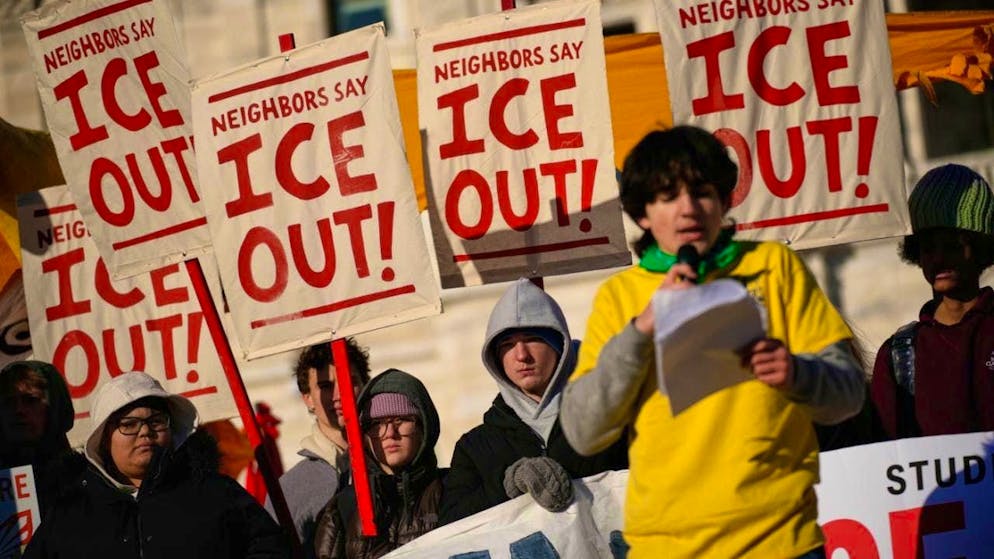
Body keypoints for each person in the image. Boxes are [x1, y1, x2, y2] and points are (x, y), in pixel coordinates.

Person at [560, 126, 865, 558]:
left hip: (780, 541)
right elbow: (582, 432)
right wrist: (643, 328)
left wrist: (798, 373)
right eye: (668, 197)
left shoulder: (773, 266)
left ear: (723, 200)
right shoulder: (620, 296)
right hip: (665, 548)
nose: (688, 210)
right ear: (643, 213)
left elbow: (849, 393)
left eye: (702, 192)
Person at [24, 371, 287, 559]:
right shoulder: (69, 513)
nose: (145, 432)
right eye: (128, 424)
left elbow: (271, 547)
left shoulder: (217, 493)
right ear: (104, 439)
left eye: (157, 421)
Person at [439, 278, 628, 525]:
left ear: (559, 345)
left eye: (532, 339)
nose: (521, 355)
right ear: (495, 357)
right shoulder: (475, 448)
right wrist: (507, 484)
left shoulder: (616, 416)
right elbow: (450, 528)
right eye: (507, 345)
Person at [871, 163, 994, 438]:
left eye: (952, 244)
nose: (939, 258)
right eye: (927, 247)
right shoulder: (898, 355)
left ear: (980, 247)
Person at [313, 368, 443, 559]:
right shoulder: (343, 508)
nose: (390, 433)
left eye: (401, 419)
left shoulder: (453, 489)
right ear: (363, 436)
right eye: (376, 424)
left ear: (424, 425)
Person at [265, 339, 371, 556]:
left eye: (349, 381)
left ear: (365, 385)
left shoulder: (394, 461)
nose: (339, 396)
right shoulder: (287, 490)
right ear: (308, 399)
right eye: (325, 386)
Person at [0, 360, 74, 513]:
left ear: (54, 408)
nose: (18, 410)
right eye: (9, 402)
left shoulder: (85, 480)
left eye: (31, 400)